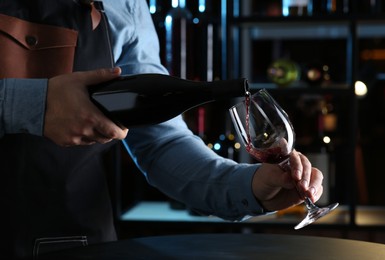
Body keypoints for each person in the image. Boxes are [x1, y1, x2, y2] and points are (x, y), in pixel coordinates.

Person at [0, 0, 324, 258]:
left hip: (75, 239)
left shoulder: (123, 5)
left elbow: (160, 143)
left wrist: (250, 187)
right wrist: (31, 105)